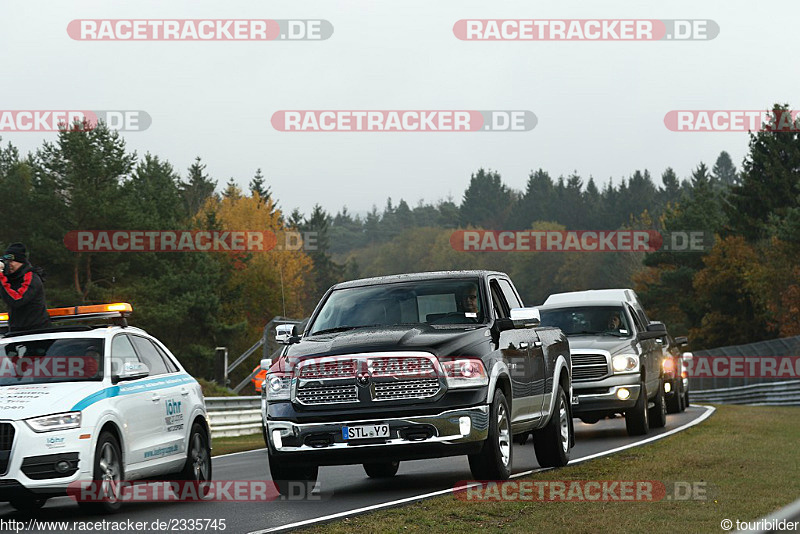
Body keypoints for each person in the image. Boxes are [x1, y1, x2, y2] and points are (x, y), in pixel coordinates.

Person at [0, 243, 51, 332]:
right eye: (7, 262)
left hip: (37, 331)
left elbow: (17, 300)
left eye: (11, 261)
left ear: (21, 261)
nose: (9, 264)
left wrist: (1, 277)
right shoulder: (9, 278)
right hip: (16, 330)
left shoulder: (31, 276)